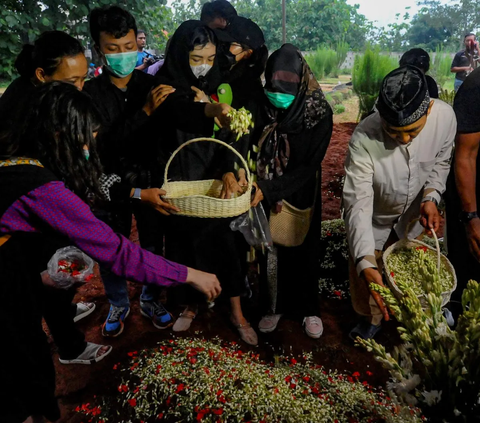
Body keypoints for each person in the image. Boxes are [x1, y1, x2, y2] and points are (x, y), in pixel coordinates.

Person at [0, 81, 221, 423]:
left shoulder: (21, 154)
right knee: (19, 363)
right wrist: (190, 274)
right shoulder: (41, 186)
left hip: (12, 262)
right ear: (61, 134)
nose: (91, 145)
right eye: (87, 137)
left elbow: (98, 183)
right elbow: (119, 253)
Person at [85, 6, 231, 337]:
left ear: (137, 43)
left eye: (128, 47)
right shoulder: (90, 95)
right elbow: (104, 148)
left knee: (152, 243)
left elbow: (181, 112)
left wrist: (210, 110)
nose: (122, 55)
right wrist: (145, 112)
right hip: (109, 187)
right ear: (98, 49)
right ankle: (119, 301)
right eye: (112, 49)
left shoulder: (150, 83)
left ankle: (150, 298)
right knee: (111, 246)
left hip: (151, 181)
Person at [156, 20, 257, 345]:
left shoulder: (220, 84)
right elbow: (174, 115)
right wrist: (205, 108)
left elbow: (231, 136)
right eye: (197, 58)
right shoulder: (165, 86)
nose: (204, 67)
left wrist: (228, 169)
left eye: (211, 58)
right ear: (180, 55)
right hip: (180, 180)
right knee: (185, 246)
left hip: (214, 178)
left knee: (226, 246)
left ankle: (236, 311)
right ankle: (190, 305)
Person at [343, 65, 456, 340]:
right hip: (374, 217)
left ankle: (409, 312)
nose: (404, 139)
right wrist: (364, 261)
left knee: (406, 271)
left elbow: (441, 161)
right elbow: (358, 202)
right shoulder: (363, 138)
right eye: (393, 132)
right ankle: (371, 320)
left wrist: (431, 196)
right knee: (368, 273)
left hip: (411, 217)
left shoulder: (444, 118)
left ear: (428, 111)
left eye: (412, 132)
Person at [250, 44, 333, 339]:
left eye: (288, 83)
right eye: (274, 82)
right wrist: (265, 189)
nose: (279, 89)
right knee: (270, 250)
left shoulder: (318, 112)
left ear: (302, 80)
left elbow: (310, 166)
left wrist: (275, 189)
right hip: (262, 189)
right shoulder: (260, 105)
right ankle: (273, 306)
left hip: (300, 190)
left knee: (304, 247)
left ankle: (309, 308)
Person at [0, 31, 88, 136]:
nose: (79, 87)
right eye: (71, 81)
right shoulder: (25, 109)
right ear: (41, 75)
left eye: (83, 79)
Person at [445, 66, 480, 308]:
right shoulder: (475, 87)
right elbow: (465, 156)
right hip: (473, 194)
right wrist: (472, 217)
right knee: (469, 269)